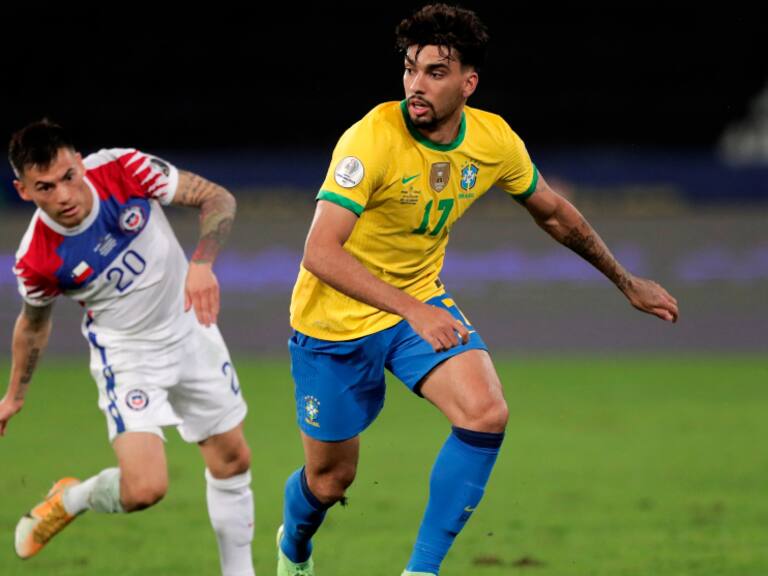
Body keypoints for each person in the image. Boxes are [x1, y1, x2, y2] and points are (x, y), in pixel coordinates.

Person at [276, 4, 679, 576]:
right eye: (410, 69)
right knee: (330, 478)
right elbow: (320, 253)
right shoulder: (370, 139)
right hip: (334, 320)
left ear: (469, 82)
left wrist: (626, 281)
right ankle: (293, 546)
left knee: (486, 413)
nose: (416, 85)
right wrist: (413, 310)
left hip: (416, 302)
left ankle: (421, 571)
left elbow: (557, 215)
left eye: (435, 72)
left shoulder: (493, 140)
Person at [0, 120, 255, 576]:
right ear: (23, 191)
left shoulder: (124, 168)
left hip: (191, 329)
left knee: (233, 458)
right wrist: (14, 396)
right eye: (45, 187)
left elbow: (218, 197)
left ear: (79, 162)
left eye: (68, 176)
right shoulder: (37, 257)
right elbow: (33, 326)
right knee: (144, 489)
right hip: (129, 357)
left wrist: (201, 263)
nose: (63, 195)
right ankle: (72, 497)